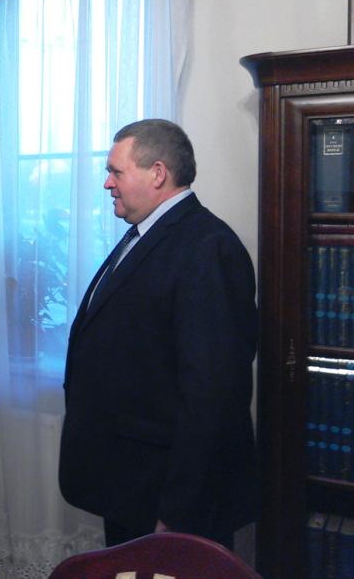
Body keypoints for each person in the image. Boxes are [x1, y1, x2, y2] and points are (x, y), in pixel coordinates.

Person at [58, 119, 259, 548]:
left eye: (116, 171)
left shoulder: (207, 246)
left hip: (168, 494)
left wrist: (178, 510)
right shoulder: (145, 234)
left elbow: (213, 394)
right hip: (132, 481)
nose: (107, 183)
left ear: (158, 173)